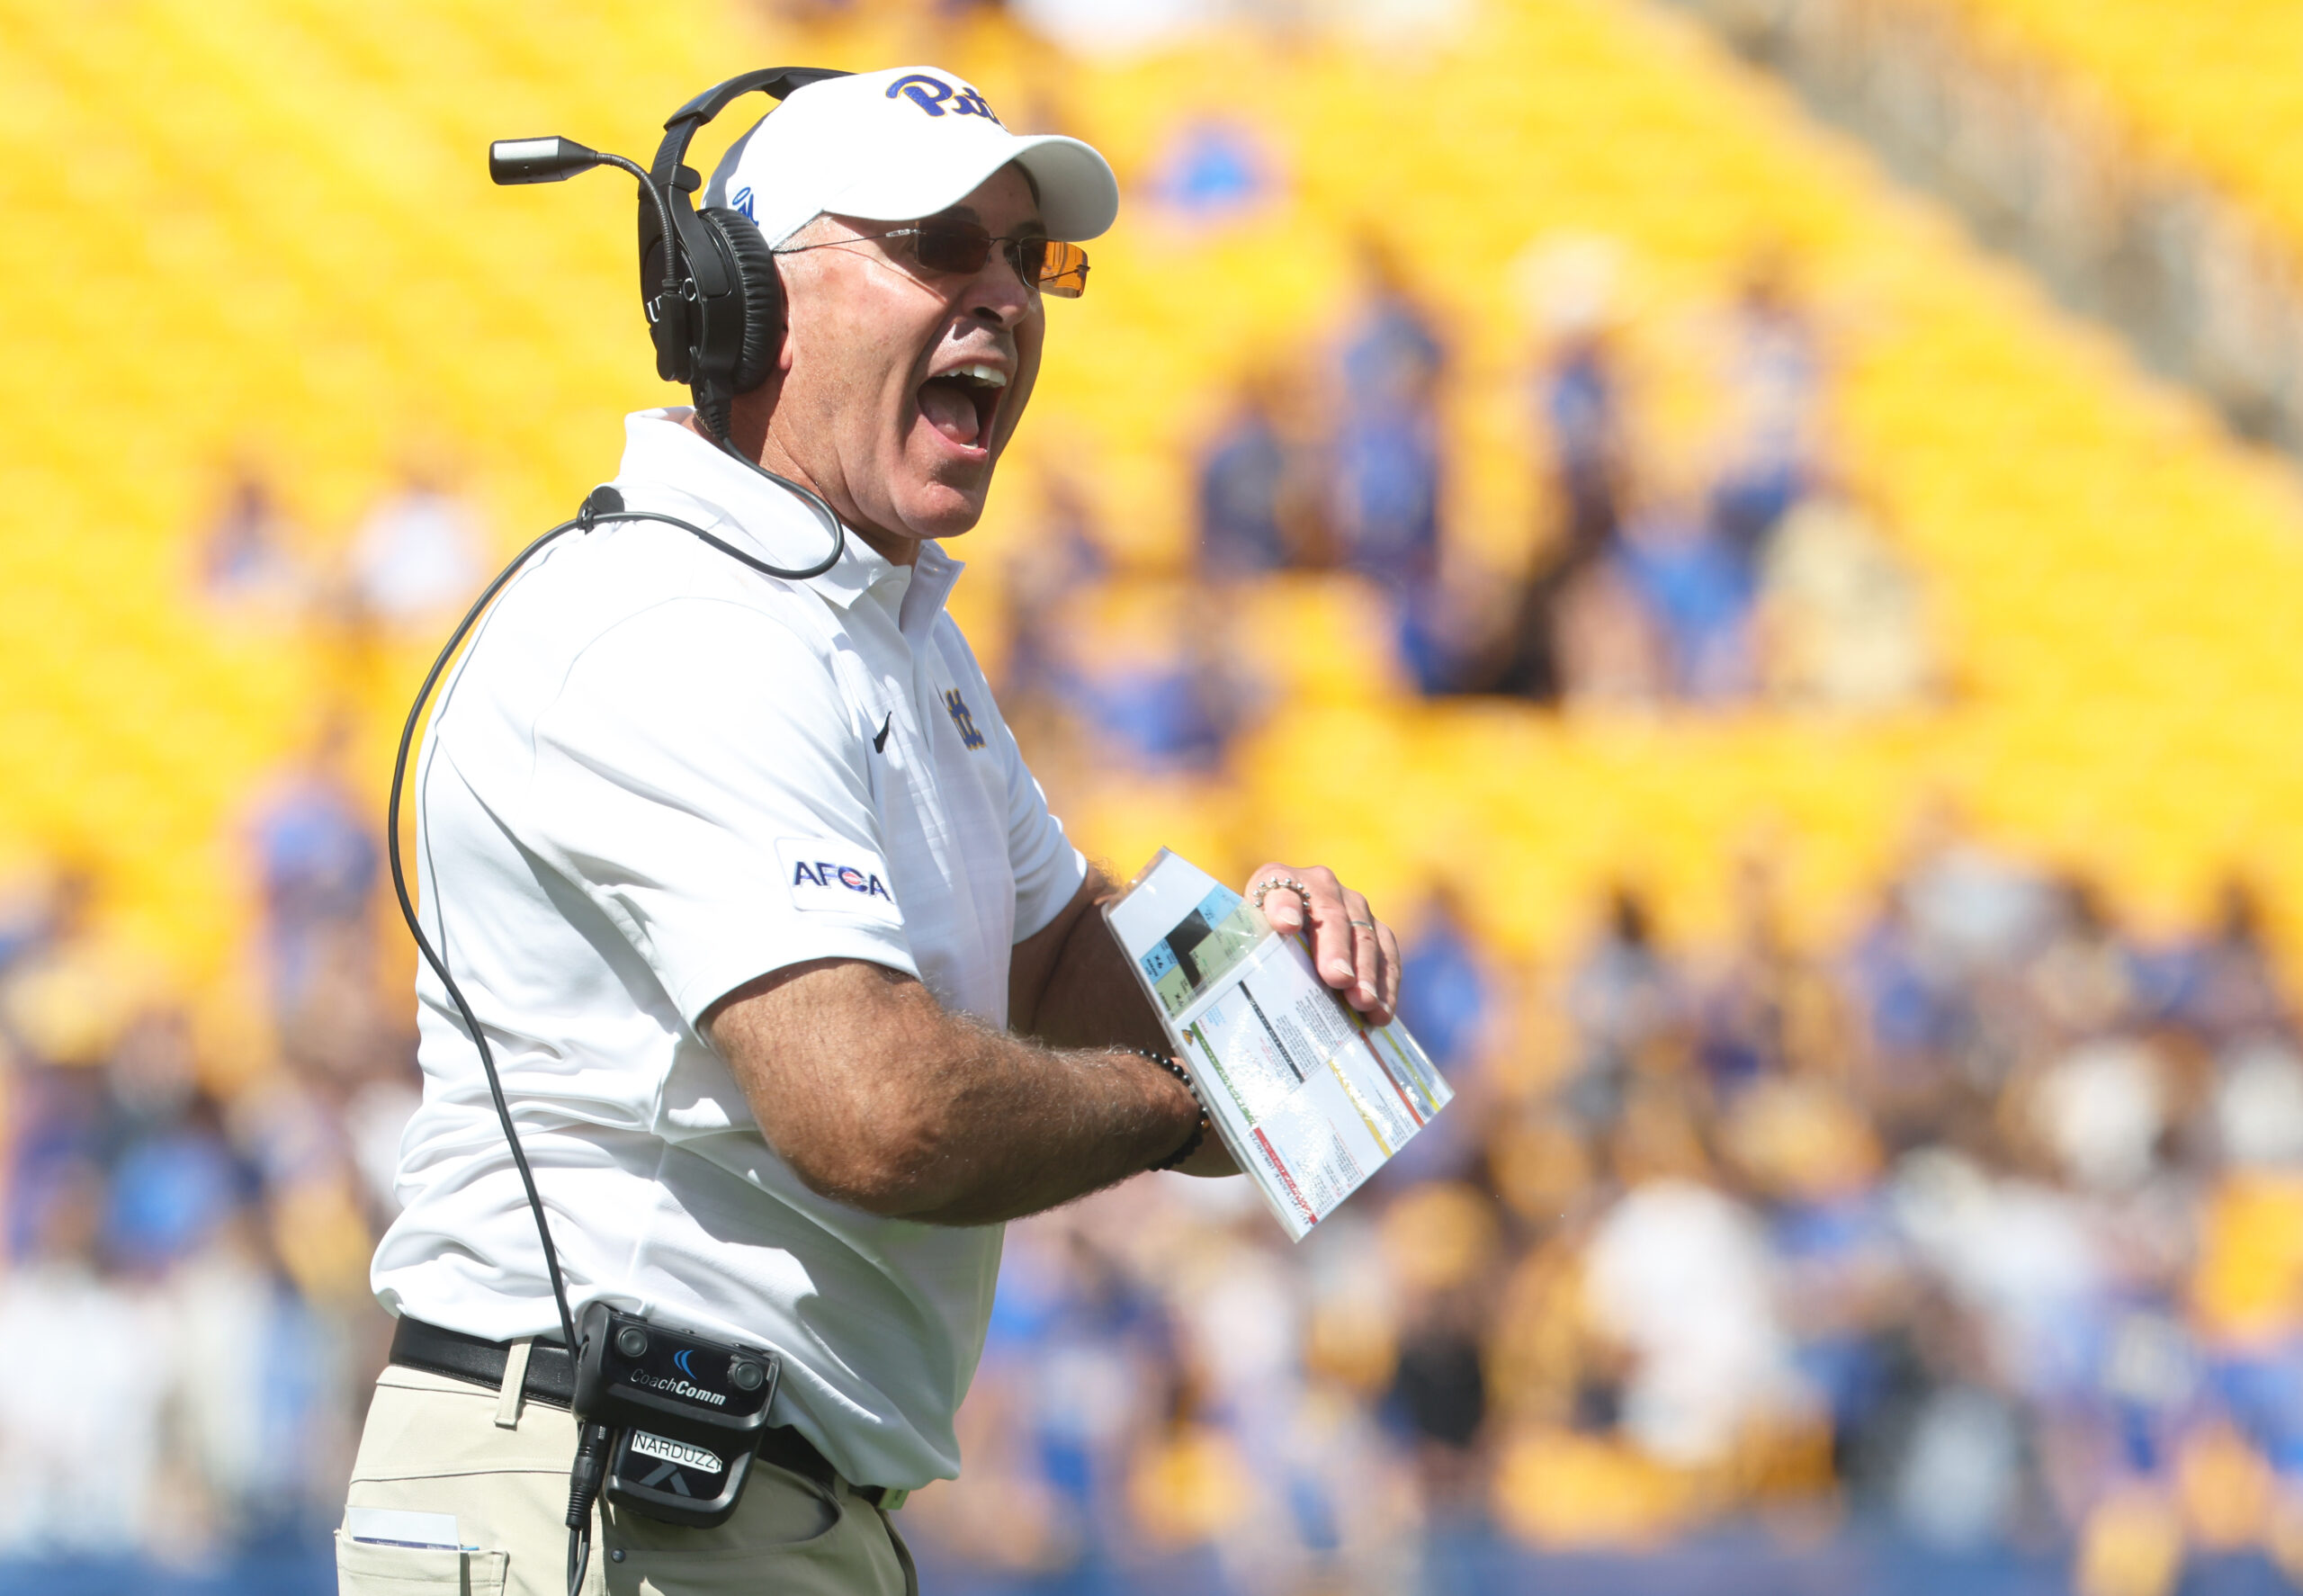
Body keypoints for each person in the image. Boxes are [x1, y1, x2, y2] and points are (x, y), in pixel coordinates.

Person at [345, 66, 1402, 1596]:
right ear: (742, 301)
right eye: (935, 247)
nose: (1002, 298)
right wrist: (1186, 1106)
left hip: (716, 1500)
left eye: (1023, 258)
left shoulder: (881, 628)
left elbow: (1061, 972)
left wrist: (1266, 978)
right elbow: (876, 1108)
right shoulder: (675, 621)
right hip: (601, 1497)